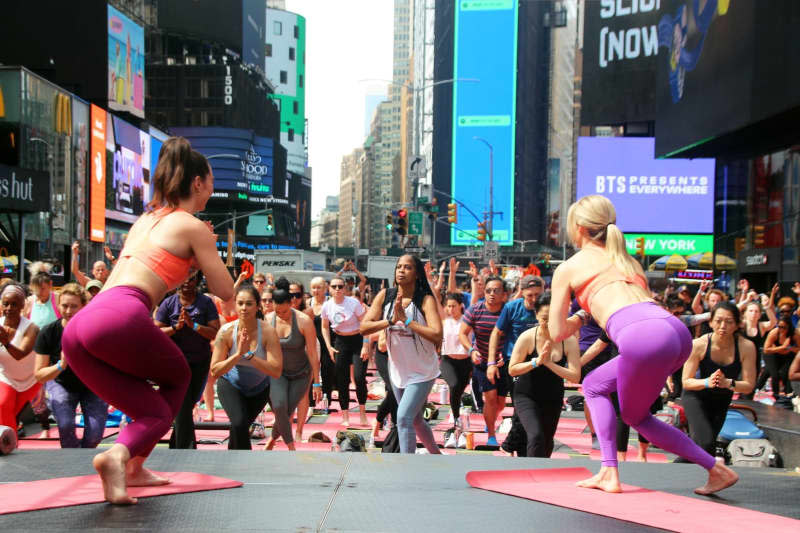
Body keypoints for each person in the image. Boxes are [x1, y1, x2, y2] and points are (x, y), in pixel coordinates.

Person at [61, 137, 234, 504]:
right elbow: (226, 290)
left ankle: (134, 466)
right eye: (211, 185)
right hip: (120, 314)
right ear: (198, 183)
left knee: (145, 406)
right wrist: (210, 251)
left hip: (80, 327)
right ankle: (121, 457)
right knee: (179, 380)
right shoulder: (193, 226)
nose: (210, 195)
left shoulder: (145, 219)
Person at [548, 195, 738, 495]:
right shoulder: (629, 261)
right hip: (673, 334)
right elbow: (632, 314)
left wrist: (579, 319)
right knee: (598, 386)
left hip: (645, 337)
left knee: (630, 412)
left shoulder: (570, 267)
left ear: (578, 228)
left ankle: (610, 472)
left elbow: (557, 331)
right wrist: (589, 312)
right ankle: (716, 470)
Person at [360, 254, 443, 454]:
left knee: (404, 418)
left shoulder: (425, 299)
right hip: (398, 371)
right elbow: (364, 327)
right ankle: (437, 456)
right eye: (399, 266)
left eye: (407, 267)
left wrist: (406, 322)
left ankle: (406, 465)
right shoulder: (385, 295)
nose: (401, 270)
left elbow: (437, 334)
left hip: (422, 372)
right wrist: (389, 321)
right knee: (415, 420)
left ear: (416, 274)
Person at [34, 283, 108, 448]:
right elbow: (39, 374)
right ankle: (72, 461)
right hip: (61, 384)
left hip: (92, 386)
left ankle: (82, 460)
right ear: (58, 304)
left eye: (74, 306)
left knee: (95, 435)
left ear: (83, 307)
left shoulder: (95, 329)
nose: (68, 311)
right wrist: (60, 365)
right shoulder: (48, 332)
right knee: (66, 426)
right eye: (65, 306)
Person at [210, 285, 282, 450]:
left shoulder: (268, 332)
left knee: (239, 428)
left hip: (259, 389)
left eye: (249, 304)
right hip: (230, 385)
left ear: (257, 306)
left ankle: (232, 466)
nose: (244, 308)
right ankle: (244, 465)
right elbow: (215, 370)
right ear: (235, 305)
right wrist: (237, 355)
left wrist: (249, 355)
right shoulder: (226, 332)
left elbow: (276, 370)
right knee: (239, 423)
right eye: (240, 303)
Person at [154, 272, 220, 449]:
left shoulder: (206, 303)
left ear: (197, 281)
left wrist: (195, 326)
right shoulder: (168, 304)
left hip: (199, 362)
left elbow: (215, 332)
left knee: (187, 405)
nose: (186, 283)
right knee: (183, 406)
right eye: (182, 279)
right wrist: (176, 327)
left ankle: (176, 445)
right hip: (175, 364)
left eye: (190, 279)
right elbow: (156, 332)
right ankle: (187, 449)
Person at [509, 293, 580, 457]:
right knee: (536, 436)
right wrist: (536, 362)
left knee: (547, 441)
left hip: (553, 397)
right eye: (544, 319)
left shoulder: (568, 341)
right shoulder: (527, 337)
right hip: (526, 395)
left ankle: (541, 472)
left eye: (553, 319)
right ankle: (531, 475)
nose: (548, 324)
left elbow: (575, 376)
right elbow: (512, 369)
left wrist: (549, 363)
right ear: (536, 316)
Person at [682, 302, 756, 456]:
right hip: (696, 396)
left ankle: (676, 475)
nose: (723, 326)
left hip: (721, 399)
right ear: (710, 322)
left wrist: (728, 383)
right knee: (705, 443)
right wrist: (708, 382)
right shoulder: (699, 344)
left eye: (729, 322)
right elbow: (686, 381)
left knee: (704, 449)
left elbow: (749, 385)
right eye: (718, 321)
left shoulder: (746, 347)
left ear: (737, 325)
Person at [263, 279, 320, 450]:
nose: (281, 314)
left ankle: (273, 440)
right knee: (279, 407)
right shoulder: (268, 319)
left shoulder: (303, 321)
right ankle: (290, 446)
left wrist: (317, 382)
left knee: (287, 411)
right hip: (278, 372)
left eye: (285, 311)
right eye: (277, 311)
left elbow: (312, 352)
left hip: (301, 374)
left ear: (291, 303)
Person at [460, 276, 507, 447]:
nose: (492, 294)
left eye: (496, 291)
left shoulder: (507, 311)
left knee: (500, 403)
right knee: (490, 398)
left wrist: (505, 354)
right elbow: (462, 333)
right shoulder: (475, 309)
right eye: (488, 291)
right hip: (482, 361)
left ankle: (492, 418)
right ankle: (492, 435)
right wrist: (471, 350)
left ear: (504, 294)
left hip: (503, 362)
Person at [320, 276, 368, 427]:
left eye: (340, 286)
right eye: (334, 286)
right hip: (340, 342)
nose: (337, 289)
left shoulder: (353, 303)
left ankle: (362, 413)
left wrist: (366, 344)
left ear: (345, 288)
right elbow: (324, 326)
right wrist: (328, 346)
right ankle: (345, 415)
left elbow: (364, 322)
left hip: (357, 340)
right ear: (329, 289)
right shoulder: (327, 306)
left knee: (359, 378)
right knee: (342, 380)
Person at [0, 283, 41, 438]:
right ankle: (9, 446)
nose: (9, 308)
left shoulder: (31, 328)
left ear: (23, 306)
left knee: (11, 414)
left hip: (30, 380)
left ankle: (9, 442)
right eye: (6, 304)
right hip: (5, 377)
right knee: (3, 406)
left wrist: (6, 342)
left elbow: (21, 354)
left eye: (14, 304)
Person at [439, 292, 471, 446]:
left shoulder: (467, 321)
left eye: (453, 306)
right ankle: (457, 421)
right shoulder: (444, 321)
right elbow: (434, 296)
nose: (450, 309)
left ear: (461, 306)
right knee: (453, 385)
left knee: (458, 391)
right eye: (448, 306)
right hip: (447, 360)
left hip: (465, 362)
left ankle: (458, 422)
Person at [288, 280, 315, 441]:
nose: (293, 298)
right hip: (287, 353)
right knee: (286, 395)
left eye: (297, 295)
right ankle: (286, 429)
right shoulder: (279, 311)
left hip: (306, 350)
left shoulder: (307, 312)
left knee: (303, 393)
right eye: (290, 295)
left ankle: (298, 431)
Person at [740, 285, 778, 400]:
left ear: (759, 314)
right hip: (740, 359)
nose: (754, 313)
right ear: (745, 313)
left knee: (751, 387)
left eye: (756, 311)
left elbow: (773, 322)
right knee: (740, 385)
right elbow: (733, 311)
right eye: (751, 311)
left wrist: (766, 307)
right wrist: (747, 300)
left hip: (754, 360)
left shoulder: (760, 326)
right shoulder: (741, 324)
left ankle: (747, 405)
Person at [309, 277, 335, 406]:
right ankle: (310, 402)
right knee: (311, 372)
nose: (316, 290)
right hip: (311, 343)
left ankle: (326, 400)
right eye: (313, 287)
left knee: (327, 371)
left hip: (328, 342)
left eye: (319, 287)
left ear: (325, 289)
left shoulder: (331, 303)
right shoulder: (307, 303)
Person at [762, 318, 800, 398]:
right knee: (774, 374)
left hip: (787, 355)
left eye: (784, 327)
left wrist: (790, 348)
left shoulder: (795, 334)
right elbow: (766, 350)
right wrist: (782, 347)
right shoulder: (774, 333)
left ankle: (787, 394)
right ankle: (775, 395)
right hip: (772, 354)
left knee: (785, 373)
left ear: (789, 327)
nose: (781, 329)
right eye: (779, 327)